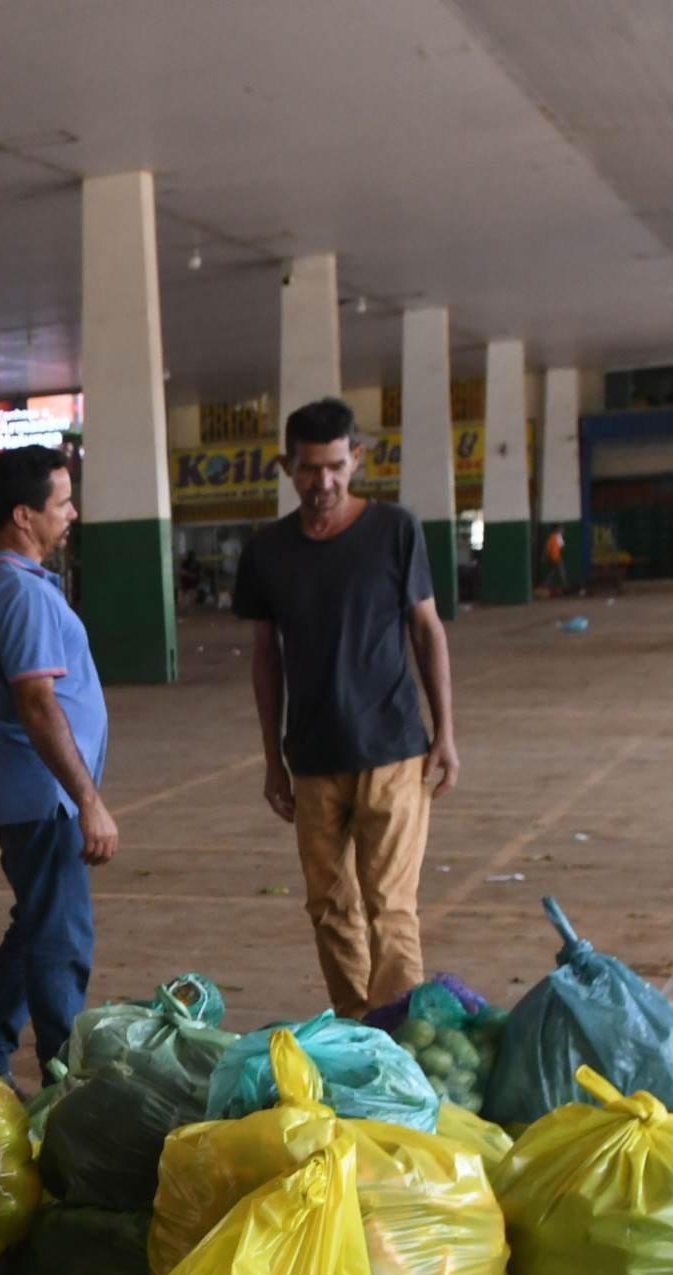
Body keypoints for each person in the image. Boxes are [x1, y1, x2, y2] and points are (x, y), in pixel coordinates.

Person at [235, 397, 459, 1020]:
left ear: (356, 459)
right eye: (310, 468)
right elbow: (266, 658)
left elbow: (427, 630)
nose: (323, 482)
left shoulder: (395, 530)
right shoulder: (267, 552)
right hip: (312, 759)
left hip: (394, 749)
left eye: (335, 466)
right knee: (329, 907)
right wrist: (273, 760)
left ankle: (399, 1037)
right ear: (287, 466)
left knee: (390, 905)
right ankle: (358, 1028)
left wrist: (445, 732)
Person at [0, 445, 115, 1084]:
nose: (72, 513)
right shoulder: (19, 593)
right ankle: (62, 1081)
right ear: (24, 515)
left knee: (36, 924)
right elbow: (37, 701)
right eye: (62, 503)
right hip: (44, 797)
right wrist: (89, 801)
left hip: (25, 794)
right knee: (61, 940)